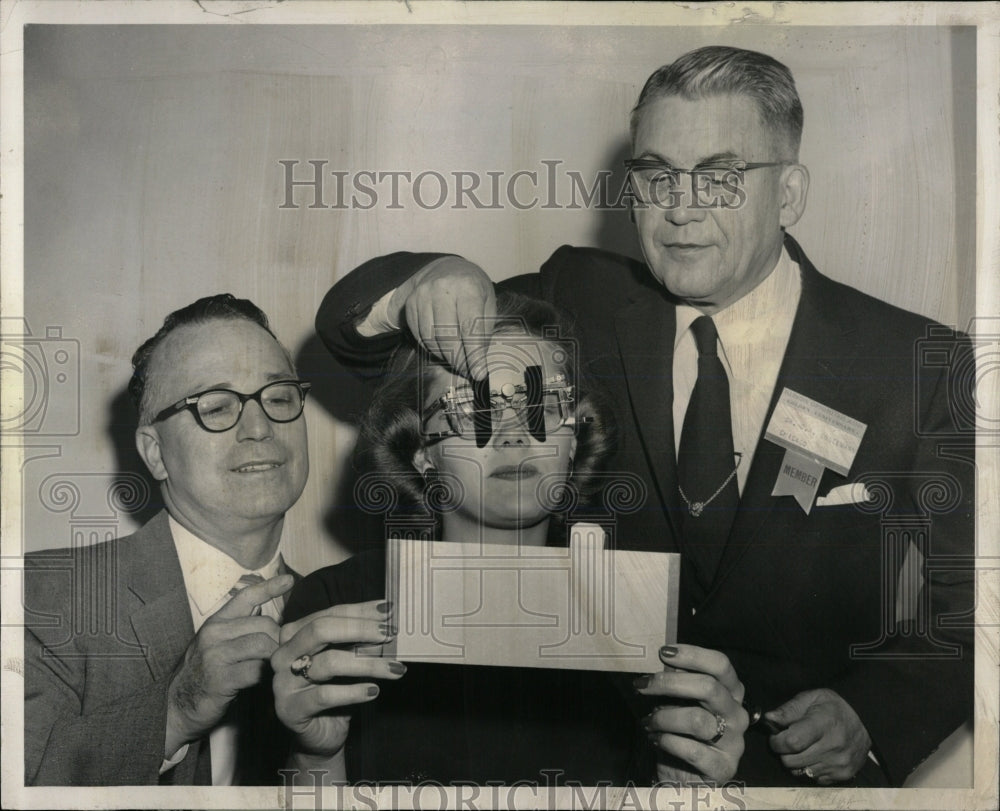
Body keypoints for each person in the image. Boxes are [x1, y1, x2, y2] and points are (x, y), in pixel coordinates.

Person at [313, 46, 974, 787]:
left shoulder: (918, 364)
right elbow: (365, 347)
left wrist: (873, 713)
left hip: (795, 782)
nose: (680, 208)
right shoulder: (580, 297)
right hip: (593, 768)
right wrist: (426, 280)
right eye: (656, 175)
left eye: (719, 177)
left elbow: (977, 598)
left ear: (789, 193)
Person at [23, 294, 403, 785]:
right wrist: (175, 712)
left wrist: (315, 760)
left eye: (279, 398)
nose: (260, 428)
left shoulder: (348, 614)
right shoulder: (41, 597)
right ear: (155, 453)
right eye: (216, 406)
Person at [281, 291, 644, 784]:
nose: (514, 434)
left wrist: (688, 780)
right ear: (420, 452)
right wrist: (315, 758)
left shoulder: (636, 609)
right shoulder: (336, 607)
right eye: (472, 408)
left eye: (543, 404)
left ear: (576, 436)